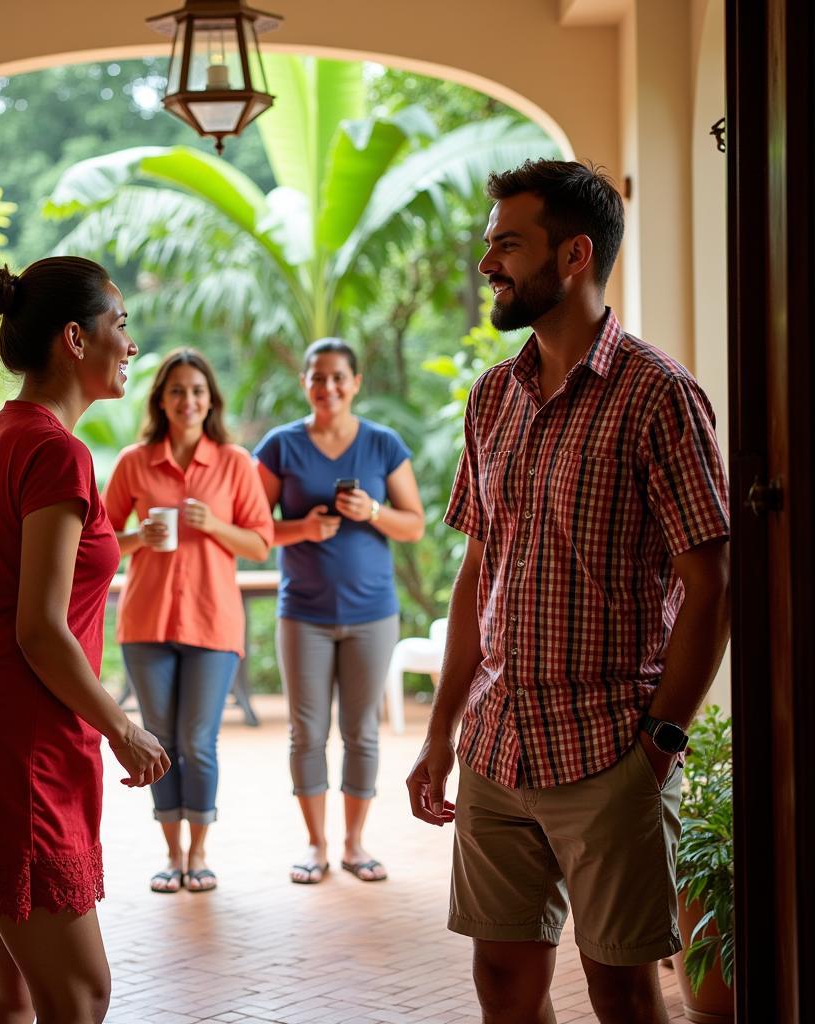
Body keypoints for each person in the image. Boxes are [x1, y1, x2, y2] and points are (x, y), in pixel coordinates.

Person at [406, 159, 731, 1024]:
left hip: (609, 748)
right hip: (498, 745)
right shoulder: (491, 399)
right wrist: (442, 732)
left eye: (508, 245)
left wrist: (659, 739)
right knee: (502, 983)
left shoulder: (659, 395)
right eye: (490, 246)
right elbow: (482, 569)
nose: (487, 265)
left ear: (575, 255)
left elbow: (713, 583)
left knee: (621, 989)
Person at [0, 256, 170, 1024]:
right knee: (79, 994)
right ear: (76, 337)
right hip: (26, 743)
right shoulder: (56, 451)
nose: (131, 344)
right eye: (121, 324)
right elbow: (39, 628)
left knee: (10, 997)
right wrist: (122, 728)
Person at [102, 348, 274, 893]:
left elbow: (262, 543)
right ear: (161, 399)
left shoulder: (234, 462)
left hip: (212, 624)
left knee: (198, 742)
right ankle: (171, 854)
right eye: (177, 390)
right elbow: (98, 541)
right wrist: (137, 538)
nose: (188, 400)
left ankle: (199, 853)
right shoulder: (135, 461)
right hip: (147, 623)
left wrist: (216, 525)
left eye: (197, 391)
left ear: (210, 399)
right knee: (160, 740)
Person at [255, 338, 425, 885]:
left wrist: (374, 511)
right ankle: (315, 843)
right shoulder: (280, 446)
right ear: (303, 382)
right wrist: (302, 528)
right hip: (302, 612)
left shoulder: (382, 444)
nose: (327, 387)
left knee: (361, 733)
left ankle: (354, 844)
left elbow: (415, 524)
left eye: (337, 378)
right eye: (317, 377)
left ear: (354, 383)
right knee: (306, 733)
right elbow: (253, 532)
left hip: (372, 613)